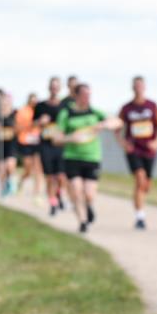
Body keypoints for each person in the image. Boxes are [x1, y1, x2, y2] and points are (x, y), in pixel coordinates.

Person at [56, 83, 121, 233]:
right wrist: (71, 138)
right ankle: (83, 222)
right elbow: (56, 139)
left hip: (92, 157)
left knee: (89, 194)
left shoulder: (95, 112)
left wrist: (103, 125)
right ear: (76, 96)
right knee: (76, 190)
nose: (87, 97)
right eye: (84, 94)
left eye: (89, 95)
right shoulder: (66, 113)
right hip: (72, 157)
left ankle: (88, 205)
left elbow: (118, 122)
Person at [115, 76, 157, 229]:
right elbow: (117, 128)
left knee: (146, 185)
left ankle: (140, 202)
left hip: (149, 149)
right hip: (134, 149)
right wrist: (123, 143)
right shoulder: (126, 108)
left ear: (144, 87)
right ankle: (140, 217)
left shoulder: (152, 106)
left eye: (140, 85)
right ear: (132, 87)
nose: (138, 88)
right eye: (136, 85)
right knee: (140, 179)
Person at [34, 77, 67, 216]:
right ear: (49, 88)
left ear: (59, 88)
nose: (54, 89)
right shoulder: (40, 106)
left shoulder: (64, 106)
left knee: (61, 176)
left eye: (56, 87)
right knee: (50, 176)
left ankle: (59, 193)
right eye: (52, 86)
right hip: (46, 145)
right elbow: (33, 123)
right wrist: (40, 122)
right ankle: (53, 202)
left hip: (60, 145)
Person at [15, 92, 44, 201]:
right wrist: (32, 124)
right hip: (26, 142)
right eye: (32, 101)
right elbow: (18, 128)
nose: (34, 103)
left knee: (38, 169)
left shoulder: (40, 111)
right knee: (28, 169)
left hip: (37, 142)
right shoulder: (23, 111)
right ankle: (21, 181)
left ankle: (37, 194)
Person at [0, 93, 18, 196]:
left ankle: (11, 181)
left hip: (11, 145)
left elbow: (20, 128)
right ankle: (4, 188)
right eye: (2, 103)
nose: (4, 104)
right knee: (2, 169)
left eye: (6, 102)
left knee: (10, 166)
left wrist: (15, 128)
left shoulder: (15, 115)